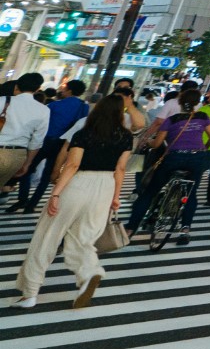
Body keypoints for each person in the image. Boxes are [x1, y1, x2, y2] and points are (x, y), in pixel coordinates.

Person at [10, 94, 129, 309]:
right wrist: (115, 198)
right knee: (84, 238)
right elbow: (120, 169)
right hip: (106, 186)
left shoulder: (84, 134)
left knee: (47, 237)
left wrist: (55, 193)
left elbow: (73, 165)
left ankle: (30, 293)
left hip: (79, 183)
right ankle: (89, 272)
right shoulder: (126, 137)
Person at [124, 86, 210, 244]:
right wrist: (203, 148)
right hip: (197, 158)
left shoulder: (172, 120)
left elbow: (157, 143)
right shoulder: (203, 116)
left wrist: (148, 142)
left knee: (150, 192)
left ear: (179, 102)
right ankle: (185, 230)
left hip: (174, 157)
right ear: (197, 103)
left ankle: (131, 228)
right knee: (191, 194)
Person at [10, 78, 86, 214]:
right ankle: (32, 205)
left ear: (69, 90)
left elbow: (41, 123)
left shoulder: (55, 105)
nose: (61, 90)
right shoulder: (84, 107)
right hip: (64, 145)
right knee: (48, 175)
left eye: (64, 88)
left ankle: (22, 199)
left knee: (26, 169)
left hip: (45, 141)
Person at [0, 73, 49, 201]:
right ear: (37, 89)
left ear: (17, 86)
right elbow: (37, 141)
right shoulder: (44, 110)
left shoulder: (2, 101)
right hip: (16, 156)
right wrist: (27, 163)